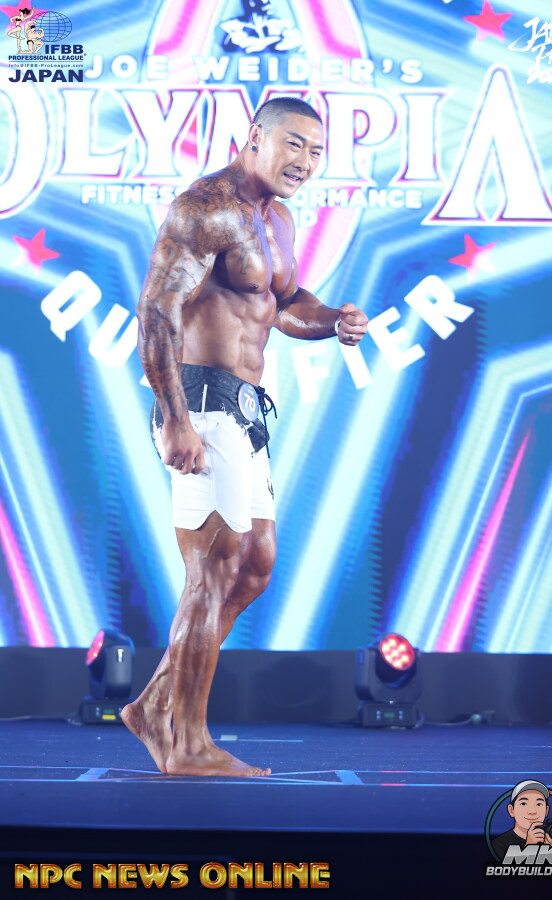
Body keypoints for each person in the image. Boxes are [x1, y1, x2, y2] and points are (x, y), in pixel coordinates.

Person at [122, 97, 368, 777]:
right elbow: (158, 310)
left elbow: (282, 305)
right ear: (255, 136)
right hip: (199, 403)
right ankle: (187, 743)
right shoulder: (206, 206)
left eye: (316, 151)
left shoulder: (277, 220)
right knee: (215, 566)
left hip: (245, 408)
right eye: (294, 144)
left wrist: (333, 321)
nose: (305, 162)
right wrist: (175, 418)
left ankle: (155, 706)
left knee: (255, 564)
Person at [492, 780, 552, 861]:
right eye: (524, 803)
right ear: (511, 810)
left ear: (546, 810)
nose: (532, 811)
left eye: (539, 804)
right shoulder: (499, 844)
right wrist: (529, 846)